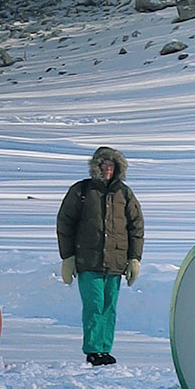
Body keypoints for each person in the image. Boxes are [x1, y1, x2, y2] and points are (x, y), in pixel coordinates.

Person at [57, 145, 144, 366]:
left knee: (109, 306)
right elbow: (65, 223)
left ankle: (105, 348)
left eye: (111, 165)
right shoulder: (82, 191)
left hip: (115, 262)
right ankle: (94, 349)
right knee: (94, 304)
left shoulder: (124, 194)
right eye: (103, 165)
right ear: (96, 167)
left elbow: (136, 227)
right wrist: (67, 257)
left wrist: (134, 258)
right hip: (89, 260)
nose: (107, 169)